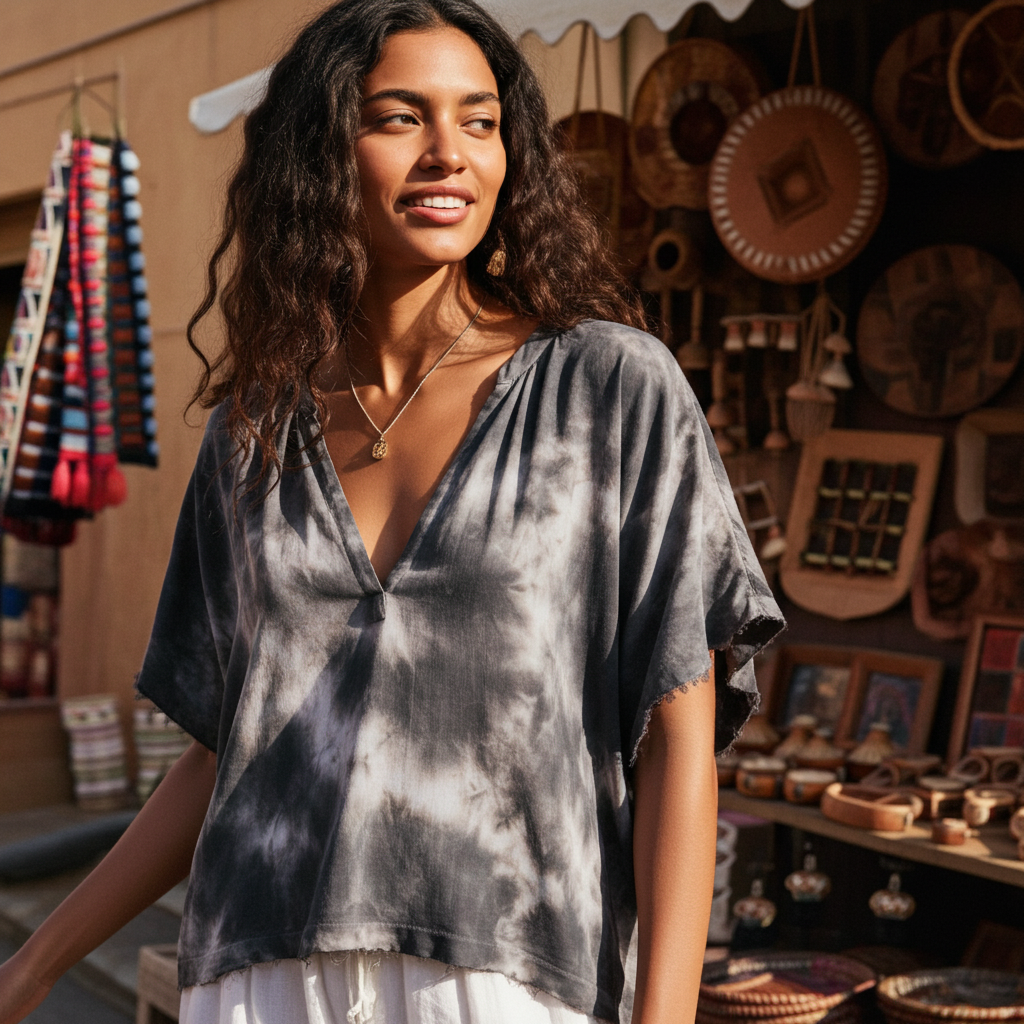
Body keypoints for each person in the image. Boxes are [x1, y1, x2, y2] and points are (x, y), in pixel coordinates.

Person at [0, 1, 784, 1021]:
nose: (447, 155)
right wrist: (35, 963)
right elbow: (228, 746)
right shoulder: (254, 430)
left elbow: (680, 731)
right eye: (400, 117)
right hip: (261, 975)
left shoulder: (608, 390)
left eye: (480, 120)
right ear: (322, 150)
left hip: (506, 974)